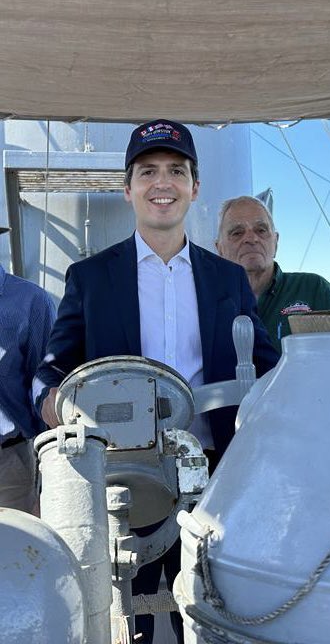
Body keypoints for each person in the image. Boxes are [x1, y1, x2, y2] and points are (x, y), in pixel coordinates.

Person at [33, 119, 278, 644]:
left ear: (194, 187)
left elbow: (268, 365)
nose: (161, 182)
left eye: (176, 170)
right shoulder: (91, 278)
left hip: (217, 477)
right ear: (128, 189)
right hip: (124, 482)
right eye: (148, 171)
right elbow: (51, 370)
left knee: (220, 610)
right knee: (131, 615)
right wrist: (50, 399)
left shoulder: (227, 279)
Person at [216, 195, 330, 352]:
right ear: (219, 249)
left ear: (275, 242)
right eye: (237, 233)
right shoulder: (203, 305)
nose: (251, 238)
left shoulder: (315, 290)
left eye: (261, 230)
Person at [0, 246, 56, 515]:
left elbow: (46, 382)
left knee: (14, 552)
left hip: (10, 466)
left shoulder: (31, 301)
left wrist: (49, 478)